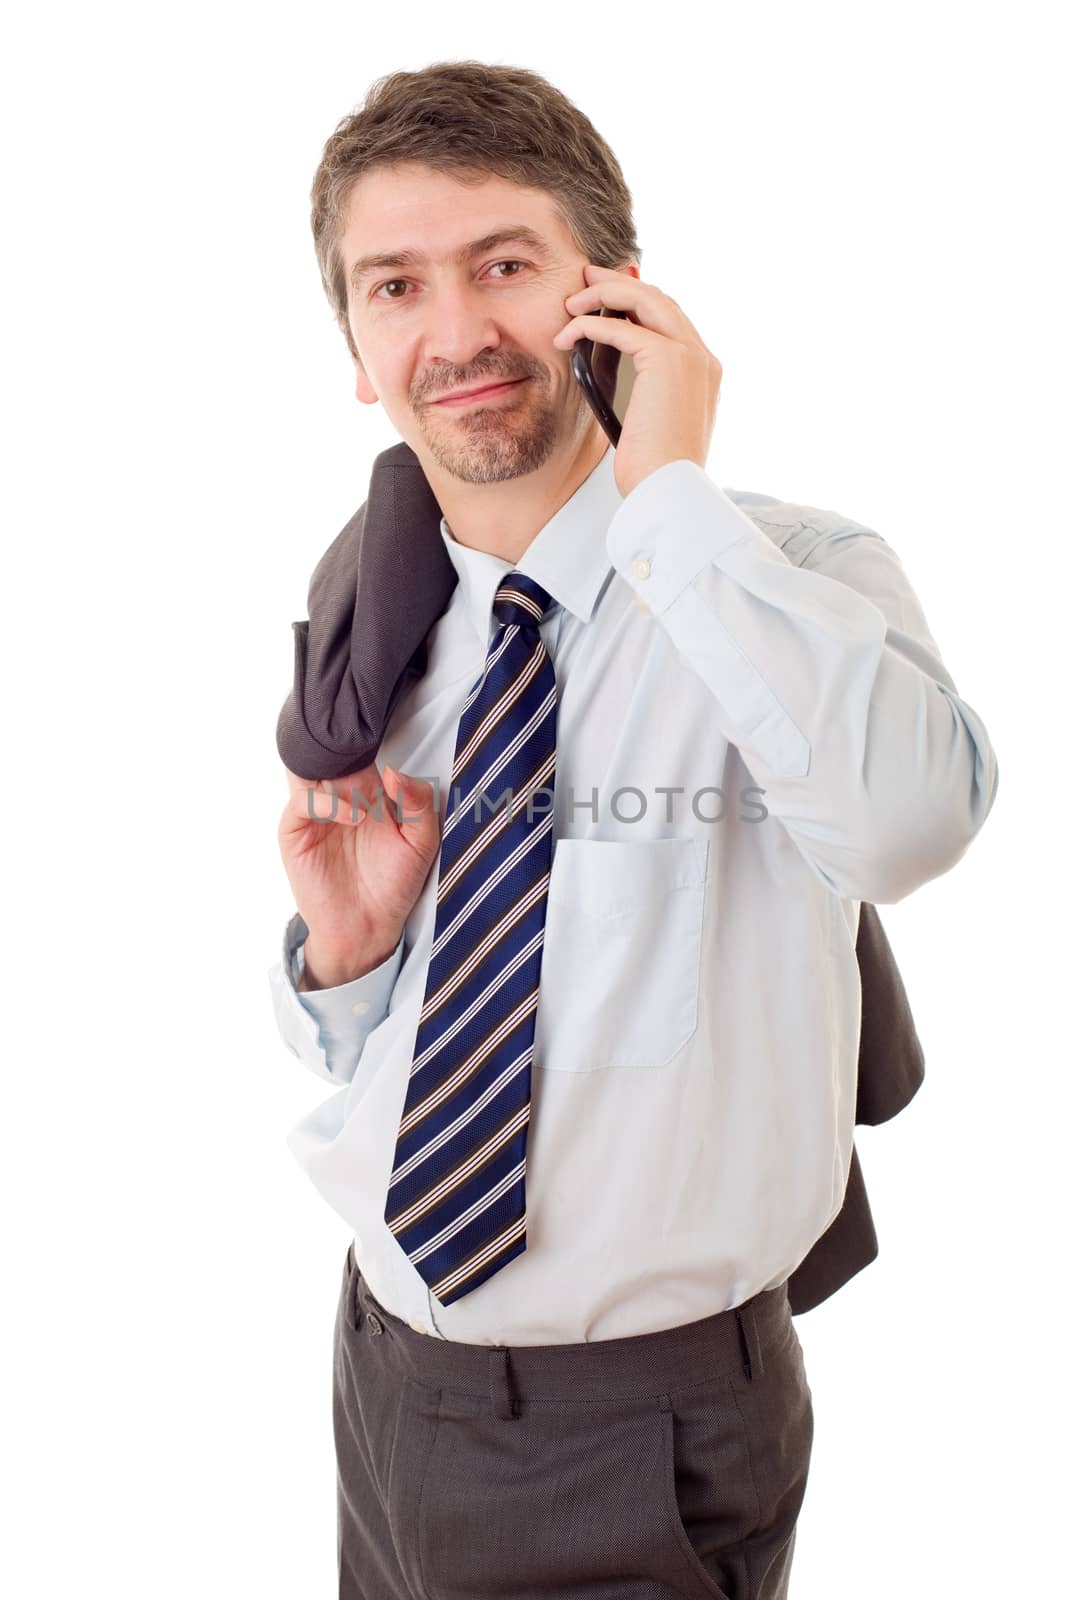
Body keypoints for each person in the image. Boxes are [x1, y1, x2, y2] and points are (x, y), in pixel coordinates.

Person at [267, 60, 999, 1599]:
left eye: (505, 267)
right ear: (355, 347)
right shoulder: (384, 620)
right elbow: (404, 1060)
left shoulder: (788, 575)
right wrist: (343, 956)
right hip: (388, 1373)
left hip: (638, 1436)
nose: (453, 333)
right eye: (395, 286)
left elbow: (913, 826)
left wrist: (668, 495)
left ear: (611, 296)